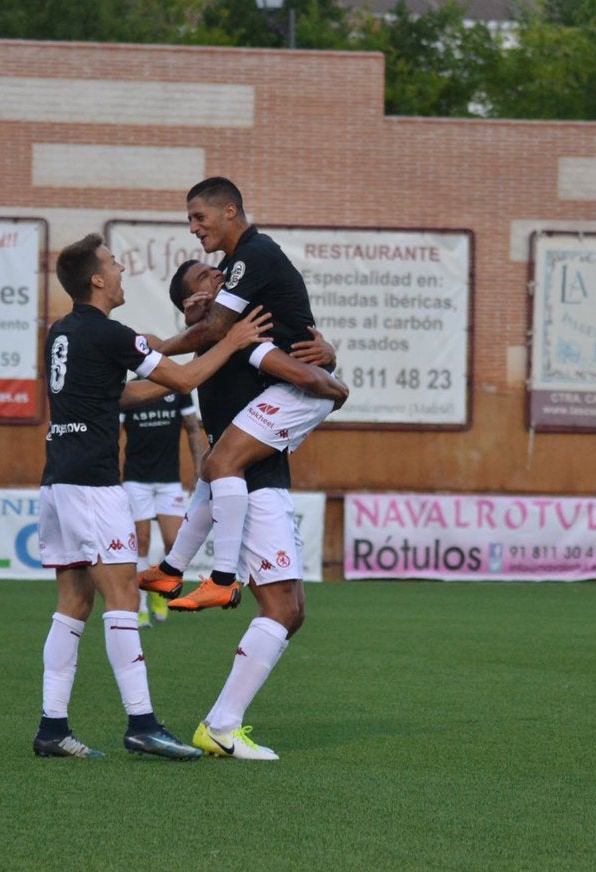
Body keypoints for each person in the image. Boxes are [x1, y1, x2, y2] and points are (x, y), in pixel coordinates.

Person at [33, 232, 270, 760]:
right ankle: (141, 723)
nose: (120, 272)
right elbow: (186, 375)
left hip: (57, 481)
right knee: (123, 599)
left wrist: (168, 380)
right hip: (94, 485)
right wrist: (230, 341)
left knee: (73, 604)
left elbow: (115, 394)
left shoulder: (62, 332)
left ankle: (52, 729)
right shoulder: (112, 334)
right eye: (113, 264)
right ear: (96, 280)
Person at [142, 258, 341, 760]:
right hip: (253, 490)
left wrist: (328, 356)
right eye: (209, 278)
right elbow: (305, 379)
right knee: (283, 609)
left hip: (259, 483)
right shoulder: (227, 339)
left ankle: (222, 722)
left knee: (290, 610)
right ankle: (221, 726)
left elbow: (301, 366)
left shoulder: (223, 337)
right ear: (194, 304)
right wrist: (334, 384)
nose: (223, 278)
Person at [148, 176, 344, 604]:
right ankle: (170, 571)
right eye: (205, 278)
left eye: (199, 217)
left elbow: (218, 329)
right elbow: (210, 329)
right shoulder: (234, 309)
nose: (194, 227)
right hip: (274, 413)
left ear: (230, 211)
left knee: (218, 466)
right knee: (212, 471)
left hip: (290, 406)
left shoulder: (251, 263)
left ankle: (219, 579)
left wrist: (334, 378)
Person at [119, 390, 204, 627]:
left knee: (173, 543)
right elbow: (112, 437)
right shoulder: (130, 393)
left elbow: (193, 429)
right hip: (136, 480)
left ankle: (158, 587)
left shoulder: (177, 391)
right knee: (141, 542)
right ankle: (140, 605)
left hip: (169, 481)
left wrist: (199, 469)